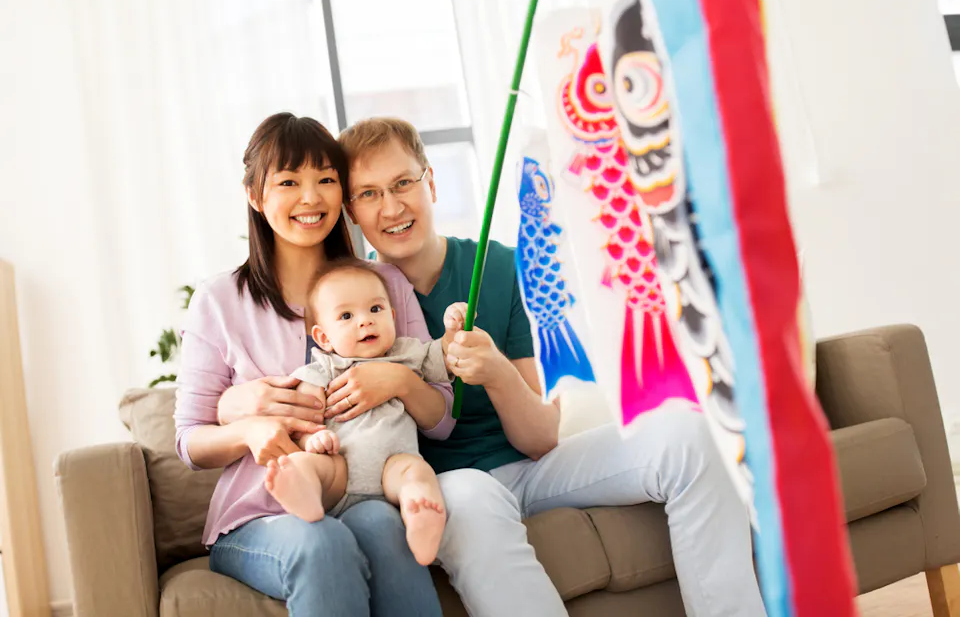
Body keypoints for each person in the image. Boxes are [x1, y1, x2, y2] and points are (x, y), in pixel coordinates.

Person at [336, 116, 767, 617]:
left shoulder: (502, 267)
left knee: (695, 436)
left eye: (403, 183)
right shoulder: (350, 302)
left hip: (536, 468)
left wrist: (496, 369)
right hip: (448, 484)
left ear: (430, 182)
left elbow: (541, 438)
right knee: (473, 498)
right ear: (351, 211)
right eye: (368, 194)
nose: (391, 207)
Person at [174, 112, 449, 616]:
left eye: (325, 179)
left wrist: (401, 380)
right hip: (257, 517)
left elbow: (443, 419)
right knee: (320, 542)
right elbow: (189, 441)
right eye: (288, 182)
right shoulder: (218, 301)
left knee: (386, 528)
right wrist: (250, 430)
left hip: (366, 495)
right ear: (255, 196)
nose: (310, 196)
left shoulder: (384, 284)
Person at [264, 258, 467, 566]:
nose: (365, 321)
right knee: (305, 462)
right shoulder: (325, 367)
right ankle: (303, 492)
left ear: (393, 316)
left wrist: (455, 332)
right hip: (338, 468)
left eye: (375, 309)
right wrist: (312, 441)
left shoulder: (407, 353)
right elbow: (304, 418)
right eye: (346, 315)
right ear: (323, 338)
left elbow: (445, 357)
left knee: (417, 472)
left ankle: (421, 513)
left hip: (392, 468)